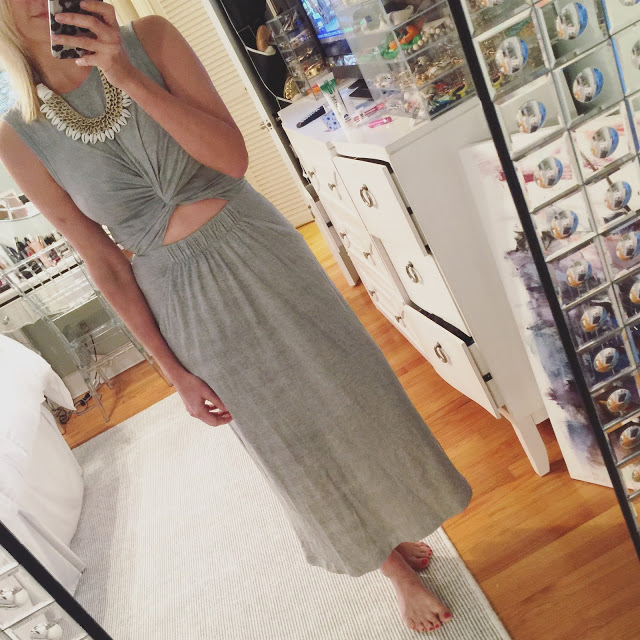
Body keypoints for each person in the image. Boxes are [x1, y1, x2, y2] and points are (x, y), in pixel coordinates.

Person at [0, 1, 473, 633]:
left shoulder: (151, 40)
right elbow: (102, 260)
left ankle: (396, 520)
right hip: (179, 294)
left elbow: (231, 159)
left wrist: (125, 74)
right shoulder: (18, 134)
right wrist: (173, 373)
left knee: (355, 394)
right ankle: (390, 567)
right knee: (285, 439)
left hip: (258, 244)